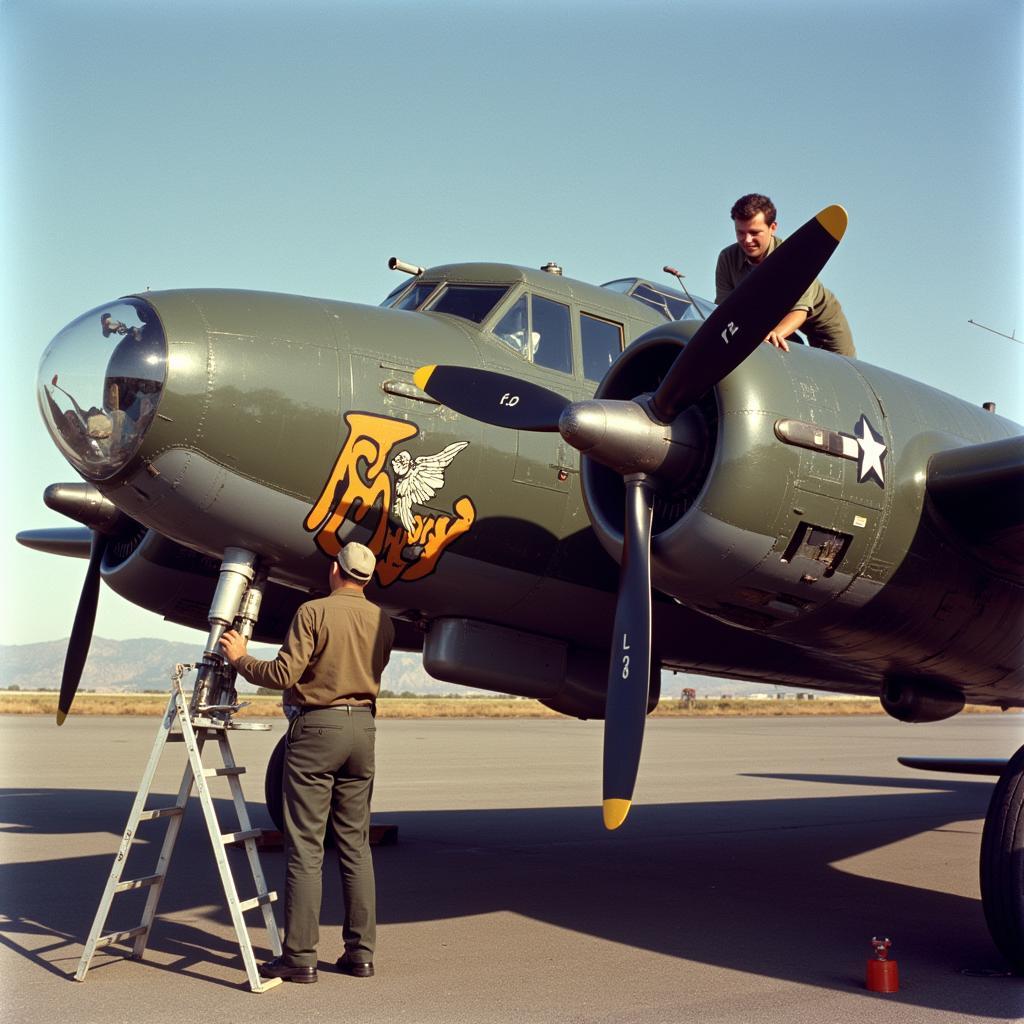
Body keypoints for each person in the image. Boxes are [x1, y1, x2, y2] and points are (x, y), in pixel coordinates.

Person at [219, 542, 395, 984]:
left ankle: (300, 956)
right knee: (355, 846)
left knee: (307, 848)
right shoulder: (384, 621)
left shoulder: (313, 612)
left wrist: (239, 657)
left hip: (318, 730)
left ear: (335, 570)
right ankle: (361, 955)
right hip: (364, 732)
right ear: (367, 578)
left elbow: (282, 674)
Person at [715, 193, 856, 357]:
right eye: (741, 232)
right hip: (771, 318)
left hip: (820, 321)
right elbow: (724, 312)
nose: (747, 240)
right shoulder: (727, 258)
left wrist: (777, 332)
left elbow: (799, 312)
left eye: (754, 233)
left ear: (772, 228)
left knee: (842, 366)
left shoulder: (795, 256)